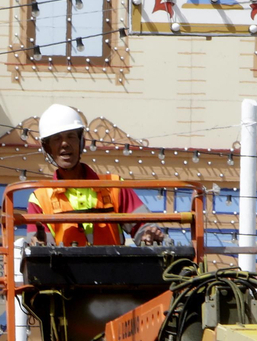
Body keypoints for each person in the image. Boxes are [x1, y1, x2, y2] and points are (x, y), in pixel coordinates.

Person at [26, 104, 167, 246]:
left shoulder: (114, 186)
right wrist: (38, 243)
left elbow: (143, 227)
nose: (64, 144)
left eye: (71, 137)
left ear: (82, 142)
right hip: (64, 269)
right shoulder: (40, 199)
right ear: (47, 147)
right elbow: (40, 249)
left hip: (113, 267)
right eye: (56, 138)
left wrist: (148, 233)